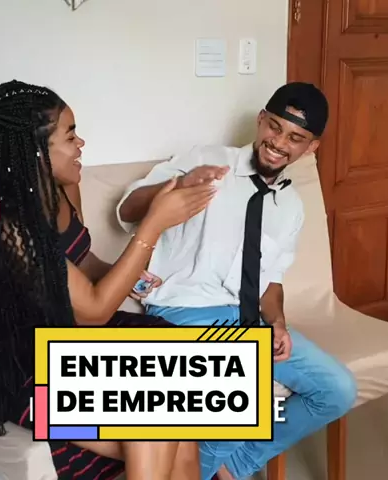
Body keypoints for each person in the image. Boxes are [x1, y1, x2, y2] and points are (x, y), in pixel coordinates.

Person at [0, 80, 215, 480]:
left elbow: (81, 260)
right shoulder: (9, 227)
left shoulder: (64, 187)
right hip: (33, 366)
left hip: (77, 339)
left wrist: (127, 277)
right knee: (159, 419)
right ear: (36, 150)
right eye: (70, 136)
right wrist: (153, 224)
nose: (81, 144)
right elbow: (92, 311)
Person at [117, 82, 358, 480]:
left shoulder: (291, 207)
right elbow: (127, 210)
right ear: (261, 120)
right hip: (182, 315)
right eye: (275, 127)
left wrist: (277, 323)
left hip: (247, 323)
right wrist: (178, 185)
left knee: (337, 389)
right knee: (248, 393)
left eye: (295, 137)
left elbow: (270, 281)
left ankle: (234, 466)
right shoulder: (207, 160)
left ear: (310, 147)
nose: (278, 142)